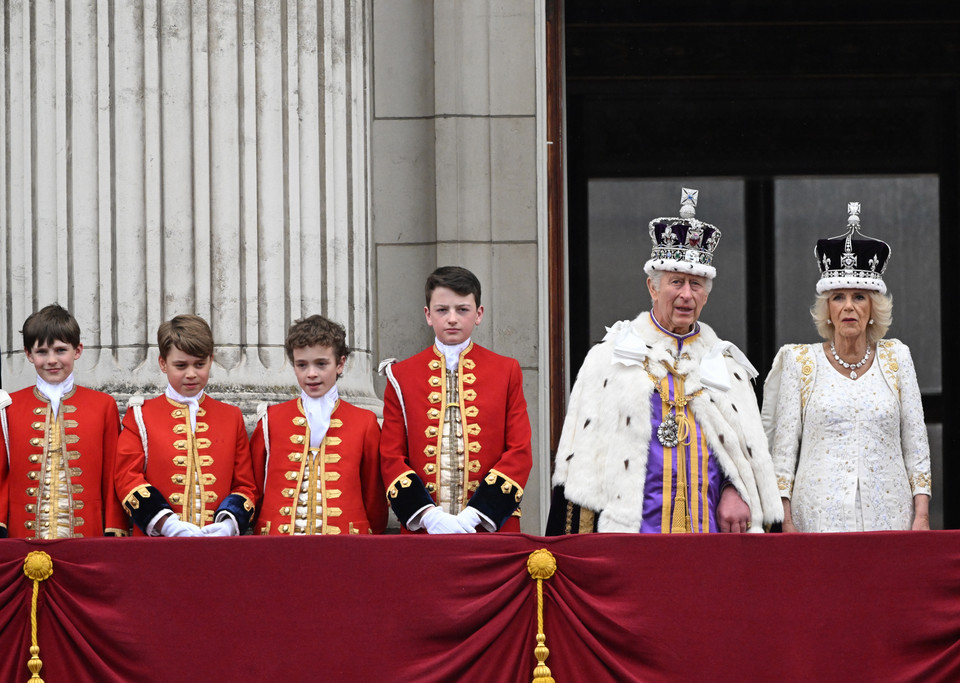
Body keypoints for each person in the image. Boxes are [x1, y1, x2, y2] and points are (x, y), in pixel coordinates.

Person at [548, 188, 781, 534]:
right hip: (631, 536)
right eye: (676, 282)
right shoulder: (609, 357)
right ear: (653, 287)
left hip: (710, 537)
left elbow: (743, 455)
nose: (687, 294)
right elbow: (581, 462)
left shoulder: (726, 364)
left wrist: (736, 489)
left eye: (697, 284)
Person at [762, 202, 931, 532]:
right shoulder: (800, 361)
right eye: (838, 297)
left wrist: (921, 516)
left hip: (889, 520)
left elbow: (916, 445)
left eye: (859, 297)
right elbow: (783, 454)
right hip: (817, 523)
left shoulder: (897, 358)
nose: (849, 307)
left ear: (873, 307)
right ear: (827, 308)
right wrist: (787, 522)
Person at [379, 266, 532, 533]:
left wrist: (478, 513)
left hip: (490, 528)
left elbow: (519, 451)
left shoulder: (506, 370)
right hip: (424, 530)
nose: (452, 318)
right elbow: (391, 456)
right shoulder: (400, 376)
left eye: (462, 309)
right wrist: (428, 516)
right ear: (428, 315)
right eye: (442, 310)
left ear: (479, 314)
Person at [114, 314, 257, 537]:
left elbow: (245, 485)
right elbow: (126, 477)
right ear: (163, 363)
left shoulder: (231, 416)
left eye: (200, 364)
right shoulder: (140, 415)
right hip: (156, 546)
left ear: (211, 360)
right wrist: (166, 523)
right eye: (180, 365)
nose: (191, 374)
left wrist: (228, 524)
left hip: (217, 547)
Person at [250, 315, 387, 535]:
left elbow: (374, 498)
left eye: (321, 364)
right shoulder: (270, 419)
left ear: (340, 364)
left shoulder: (365, 422)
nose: (311, 374)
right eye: (302, 365)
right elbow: (255, 485)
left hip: (346, 546)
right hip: (277, 546)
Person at [0, 304, 128, 538]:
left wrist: (114, 527)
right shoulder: (8, 407)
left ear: (77, 351)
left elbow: (112, 475)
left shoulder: (103, 405)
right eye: (42, 352)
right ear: (29, 354)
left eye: (60, 350)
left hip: (87, 537)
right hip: (22, 538)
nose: (51, 360)